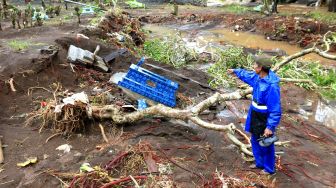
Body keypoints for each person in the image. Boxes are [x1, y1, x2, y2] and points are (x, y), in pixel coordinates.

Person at [228, 55, 282, 175]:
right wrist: (236, 71)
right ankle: (259, 163)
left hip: (264, 116)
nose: (253, 67)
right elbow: (247, 75)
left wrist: (270, 127)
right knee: (254, 139)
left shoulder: (271, 85)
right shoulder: (258, 77)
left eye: (255, 65)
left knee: (266, 142)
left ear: (261, 67)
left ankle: (269, 169)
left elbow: (275, 109)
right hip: (254, 112)